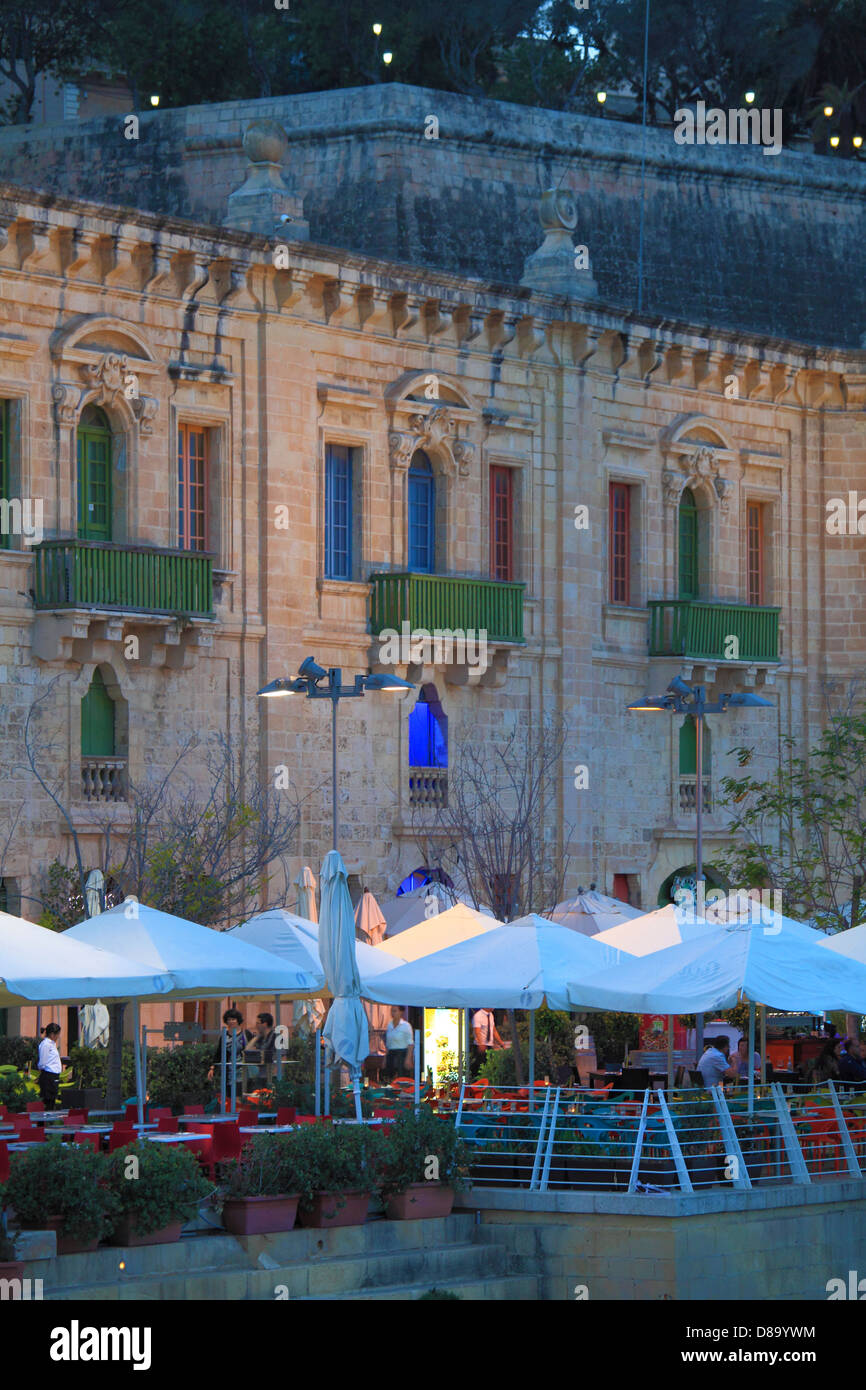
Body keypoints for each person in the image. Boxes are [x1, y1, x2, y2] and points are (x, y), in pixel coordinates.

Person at [208, 1008, 253, 1097]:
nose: (231, 1021)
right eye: (229, 1019)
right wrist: (212, 1068)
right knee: (229, 1096)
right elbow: (219, 1053)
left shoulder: (246, 1034)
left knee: (241, 1096)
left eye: (233, 1019)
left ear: (238, 1020)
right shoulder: (224, 1036)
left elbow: (254, 1050)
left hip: (244, 1071)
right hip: (228, 1072)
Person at [245, 1012, 277, 1091]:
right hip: (261, 1075)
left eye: (258, 1023)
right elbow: (247, 1050)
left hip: (271, 1075)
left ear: (265, 1024)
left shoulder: (275, 1037)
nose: (256, 1025)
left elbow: (281, 1056)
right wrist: (257, 1037)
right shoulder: (261, 1038)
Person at [37, 1022, 63, 1110]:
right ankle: (44, 1122)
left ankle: (50, 1121)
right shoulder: (46, 1044)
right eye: (57, 1034)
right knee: (47, 1101)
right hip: (48, 1076)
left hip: (53, 1075)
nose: (58, 1037)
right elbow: (42, 1062)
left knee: (52, 1100)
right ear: (52, 1034)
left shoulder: (52, 1044)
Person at [384, 1006, 414, 1079]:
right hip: (391, 1054)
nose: (392, 1013)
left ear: (401, 1012)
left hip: (402, 1054)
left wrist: (408, 1058)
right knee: (390, 1077)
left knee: (401, 1078)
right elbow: (388, 1044)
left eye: (395, 1011)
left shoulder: (406, 1026)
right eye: (391, 1011)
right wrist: (385, 1059)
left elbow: (410, 1044)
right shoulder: (389, 1025)